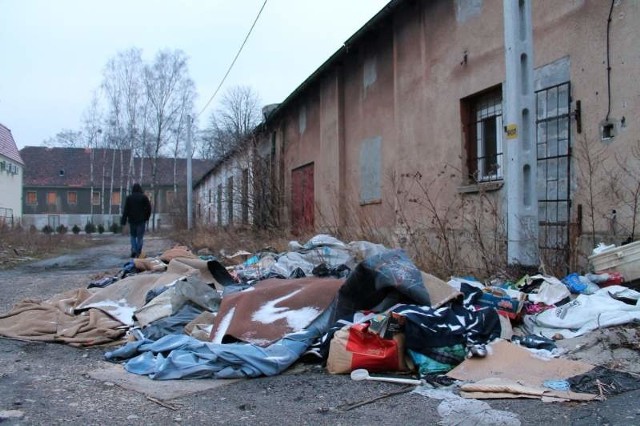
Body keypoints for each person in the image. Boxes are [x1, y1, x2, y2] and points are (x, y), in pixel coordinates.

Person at [120, 183, 152, 258]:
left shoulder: (129, 198)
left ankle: (134, 249)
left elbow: (126, 210)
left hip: (132, 220)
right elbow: (148, 208)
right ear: (140, 189)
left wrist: (123, 220)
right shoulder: (144, 198)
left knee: (133, 236)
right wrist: (147, 217)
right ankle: (138, 251)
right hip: (141, 220)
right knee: (140, 237)